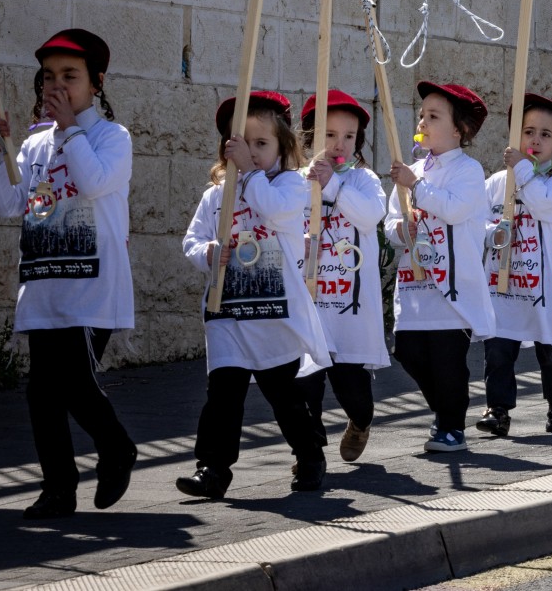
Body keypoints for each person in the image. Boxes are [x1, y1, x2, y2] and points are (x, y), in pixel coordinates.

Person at [0, 29, 137, 521]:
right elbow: (9, 204)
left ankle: (116, 447)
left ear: (96, 82)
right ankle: (58, 489)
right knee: (42, 393)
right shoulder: (34, 145)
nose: (57, 86)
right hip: (44, 285)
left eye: (70, 76)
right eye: (49, 77)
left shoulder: (112, 137)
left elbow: (93, 182)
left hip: (91, 289)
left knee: (74, 382)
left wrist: (70, 129)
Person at [178, 92, 331, 499]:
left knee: (283, 396)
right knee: (222, 395)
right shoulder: (217, 195)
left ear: (283, 146)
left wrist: (248, 174)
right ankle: (212, 468)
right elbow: (192, 241)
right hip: (227, 310)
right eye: (242, 144)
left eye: (261, 144)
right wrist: (209, 253)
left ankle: (310, 455)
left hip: (272, 312)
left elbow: (273, 208)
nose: (252, 152)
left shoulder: (292, 186)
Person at [385, 81, 494, 452]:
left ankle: (451, 426)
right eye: (422, 115)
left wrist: (415, 185)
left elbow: (453, 209)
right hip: (415, 283)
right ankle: (447, 410)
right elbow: (389, 224)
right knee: (408, 351)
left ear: (458, 129)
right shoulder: (411, 171)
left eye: (434, 116)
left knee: (448, 361)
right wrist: (402, 228)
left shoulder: (468, 169)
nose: (424, 121)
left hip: (452, 284)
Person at [298, 89, 387, 464]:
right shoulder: (296, 180)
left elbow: (369, 215)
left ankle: (361, 421)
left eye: (349, 136)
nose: (339, 144)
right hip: (310, 303)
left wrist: (333, 185)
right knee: (306, 382)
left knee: (353, 390)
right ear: (308, 139)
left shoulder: (363, 180)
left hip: (349, 305)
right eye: (329, 135)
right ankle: (310, 452)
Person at [479, 93, 552, 437]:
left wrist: (521, 168)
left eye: (545, 135)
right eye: (528, 131)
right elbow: (476, 224)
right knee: (498, 352)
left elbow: (542, 206)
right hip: (503, 287)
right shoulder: (495, 184)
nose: (535, 140)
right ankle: (498, 410)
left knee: (550, 351)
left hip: (539, 288)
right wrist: (492, 232)